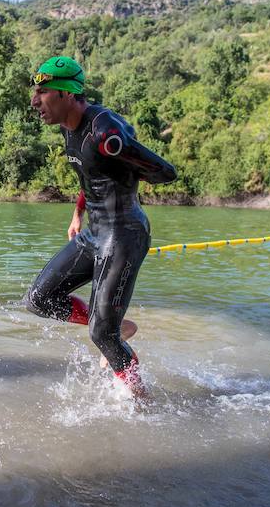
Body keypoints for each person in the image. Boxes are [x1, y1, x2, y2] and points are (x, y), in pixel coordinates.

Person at [24, 57, 176, 398]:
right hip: (94, 231)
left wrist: (124, 152)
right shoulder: (67, 127)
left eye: (42, 92)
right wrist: (77, 214)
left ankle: (142, 402)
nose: (34, 101)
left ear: (66, 94)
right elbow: (89, 174)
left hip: (123, 234)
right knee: (38, 299)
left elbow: (165, 173)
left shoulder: (104, 128)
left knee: (101, 336)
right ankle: (115, 327)